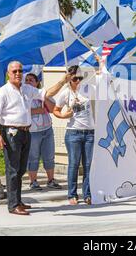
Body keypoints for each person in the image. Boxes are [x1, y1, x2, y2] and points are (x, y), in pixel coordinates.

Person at [0, 61, 70, 216]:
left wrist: (63, 81)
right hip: (11, 133)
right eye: (15, 71)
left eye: (20, 71)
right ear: (8, 73)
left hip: (26, 132)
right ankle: (13, 205)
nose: (18, 74)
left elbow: (47, 94)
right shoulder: (2, 92)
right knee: (12, 170)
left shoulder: (27, 89)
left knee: (21, 169)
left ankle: (18, 201)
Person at [53, 65, 95, 206]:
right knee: (74, 164)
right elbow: (56, 110)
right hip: (73, 132)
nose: (78, 81)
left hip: (90, 132)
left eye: (80, 78)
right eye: (75, 78)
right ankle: (72, 194)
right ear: (69, 78)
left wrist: (101, 66)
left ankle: (87, 194)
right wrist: (64, 115)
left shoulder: (90, 89)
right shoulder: (65, 93)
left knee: (89, 165)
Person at [24, 73, 62, 191]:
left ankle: (51, 180)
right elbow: (23, 112)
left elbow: (52, 109)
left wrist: (44, 98)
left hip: (47, 130)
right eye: (27, 80)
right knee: (33, 157)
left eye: (31, 80)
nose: (28, 82)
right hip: (33, 131)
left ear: (37, 83)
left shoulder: (44, 94)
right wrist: (38, 110)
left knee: (49, 156)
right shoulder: (24, 96)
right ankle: (33, 181)